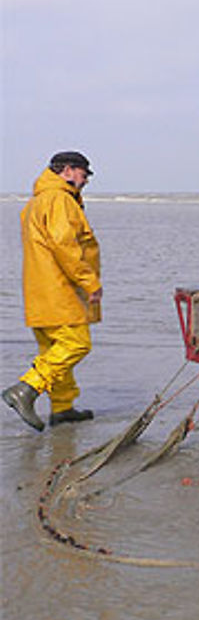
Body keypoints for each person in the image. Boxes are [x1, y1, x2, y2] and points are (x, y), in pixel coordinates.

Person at [2, 151, 102, 431]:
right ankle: (26, 390)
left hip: (39, 291)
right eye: (84, 175)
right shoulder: (59, 199)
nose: (85, 182)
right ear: (68, 171)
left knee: (53, 349)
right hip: (59, 290)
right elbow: (64, 246)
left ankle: (62, 408)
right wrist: (89, 282)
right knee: (76, 344)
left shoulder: (36, 201)